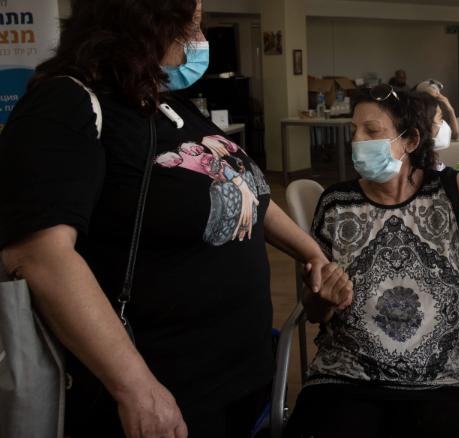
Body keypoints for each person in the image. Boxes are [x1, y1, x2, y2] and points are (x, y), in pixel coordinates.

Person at [0, 1, 352, 436]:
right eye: (193, 25)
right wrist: (135, 388)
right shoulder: (65, 103)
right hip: (166, 395)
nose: (198, 42)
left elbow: (247, 190)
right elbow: (38, 255)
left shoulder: (168, 105)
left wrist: (309, 250)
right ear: (148, 25)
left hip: (241, 378)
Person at [283, 85, 459, 438]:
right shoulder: (336, 205)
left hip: (444, 379)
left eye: (372, 131)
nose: (357, 141)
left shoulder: (453, 193)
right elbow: (315, 311)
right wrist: (323, 299)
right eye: (353, 132)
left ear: (410, 140)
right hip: (346, 376)